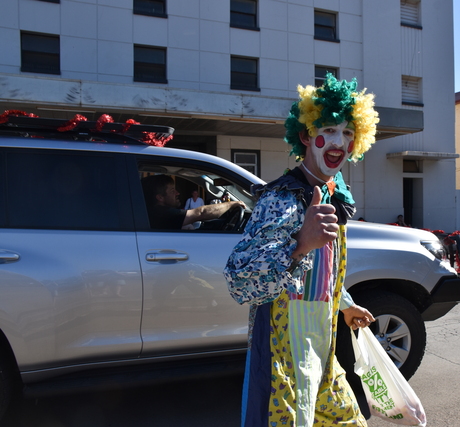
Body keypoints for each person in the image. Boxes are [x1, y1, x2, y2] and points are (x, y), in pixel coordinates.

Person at [224, 74, 379, 427]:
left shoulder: (333, 195)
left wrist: (346, 305)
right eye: (329, 130)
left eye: (348, 132)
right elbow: (239, 279)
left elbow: (322, 271)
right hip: (283, 352)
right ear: (307, 136)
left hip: (323, 345)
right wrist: (300, 244)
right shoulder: (281, 198)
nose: (339, 141)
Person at [141, 174, 244, 230]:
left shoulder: (152, 212)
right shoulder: (163, 213)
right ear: (160, 197)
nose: (177, 193)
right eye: (172, 191)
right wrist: (232, 204)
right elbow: (201, 213)